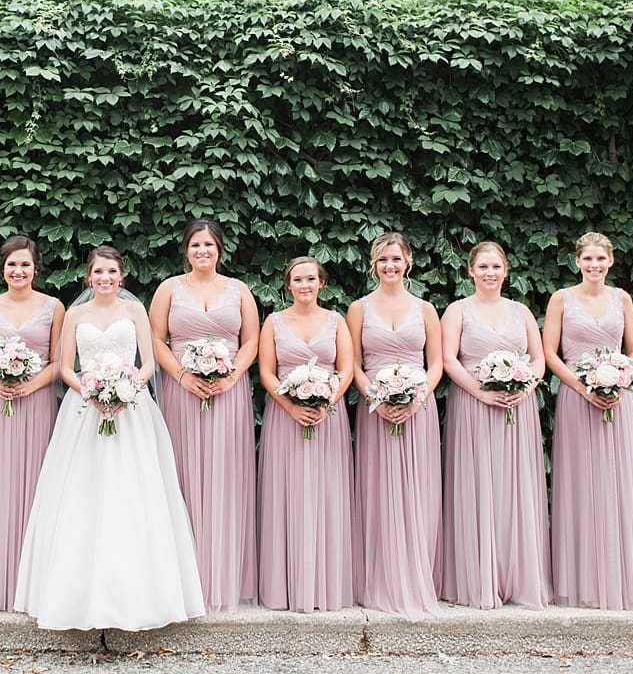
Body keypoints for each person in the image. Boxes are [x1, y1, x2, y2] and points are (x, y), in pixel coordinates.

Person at [13, 245, 205, 630]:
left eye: (111, 272)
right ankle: (73, 596)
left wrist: (127, 387)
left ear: (121, 276)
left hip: (131, 409)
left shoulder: (134, 311)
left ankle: (138, 596)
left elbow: (148, 362)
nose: (105, 278)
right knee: (80, 495)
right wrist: (91, 390)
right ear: (89, 277)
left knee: (133, 493)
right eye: (98, 272)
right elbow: (67, 367)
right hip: (84, 411)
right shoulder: (75, 314)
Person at [149, 219, 258, 613]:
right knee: (183, 478)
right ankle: (183, 579)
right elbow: (155, 340)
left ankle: (223, 576)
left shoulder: (239, 290)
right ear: (186, 250)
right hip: (181, 393)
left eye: (209, 245)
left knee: (225, 478)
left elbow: (251, 341)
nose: (203, 251)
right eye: (196, 245)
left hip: (229, 394)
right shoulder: (168, 289)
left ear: (219, 250)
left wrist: (230, 376)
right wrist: (181, 375)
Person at [544, 232, 633, 609]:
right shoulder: (561, 299)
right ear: (577, 262)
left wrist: (621, 376)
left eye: (600, 260)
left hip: (619, 401)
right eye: (587, 259)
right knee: (581, 481)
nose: (594, 266)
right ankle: (581, 579)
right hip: (577, 399)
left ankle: (620, 578)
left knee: (616, 480)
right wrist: (583, 386)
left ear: (611, 262)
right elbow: (549, 354)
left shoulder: (622, 299)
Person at [440, 242, 551, 609]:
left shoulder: (521, 312)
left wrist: (525, 385)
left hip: (516, 410)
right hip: (472, 408)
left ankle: (517, 577)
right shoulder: (457, 311)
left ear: (506, 271)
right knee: (477, 486)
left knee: (514, 488)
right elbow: (448, 359)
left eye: (496, 266)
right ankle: (478, 578)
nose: (490, 273)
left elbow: (538, 359)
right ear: (470, 271)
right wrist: (479, 392)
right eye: (483, 266)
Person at [0, 236, 64, 611]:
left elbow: (58, 361)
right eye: (11, 265)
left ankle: (32, 582)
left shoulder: (54, 307)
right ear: (1, 268)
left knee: (35, 484)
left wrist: (30, 385)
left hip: (36, 405)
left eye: (25, 265)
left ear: (36, 268)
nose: (18, 271)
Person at [347, 231, 443, 618]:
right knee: (378, 490)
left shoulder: (425, 308)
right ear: (374, 263)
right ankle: (381, 579)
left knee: (417, 491)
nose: (390, 265)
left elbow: (435, 363)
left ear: (408, 262)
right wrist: (376, 398)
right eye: (383, 259)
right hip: (376, 410)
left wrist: (417, 396)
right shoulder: (359, 309)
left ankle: (417, 576)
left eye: (396, 259)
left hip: (418, 409)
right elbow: (352, 364)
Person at [257, 256, 356, 612]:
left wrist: (327, 398)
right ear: (288, 285)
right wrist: (291, 406)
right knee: (288, 493)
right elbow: (267, 372)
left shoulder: (336, 321)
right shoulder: (273, 322)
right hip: (285, 418)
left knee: (326, 493)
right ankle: (286, 585)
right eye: (297, 280)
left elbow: (346, 369)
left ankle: (324, 584)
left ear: (321, 283)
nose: (304, 285)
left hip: (328, 417)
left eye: (310, 279)